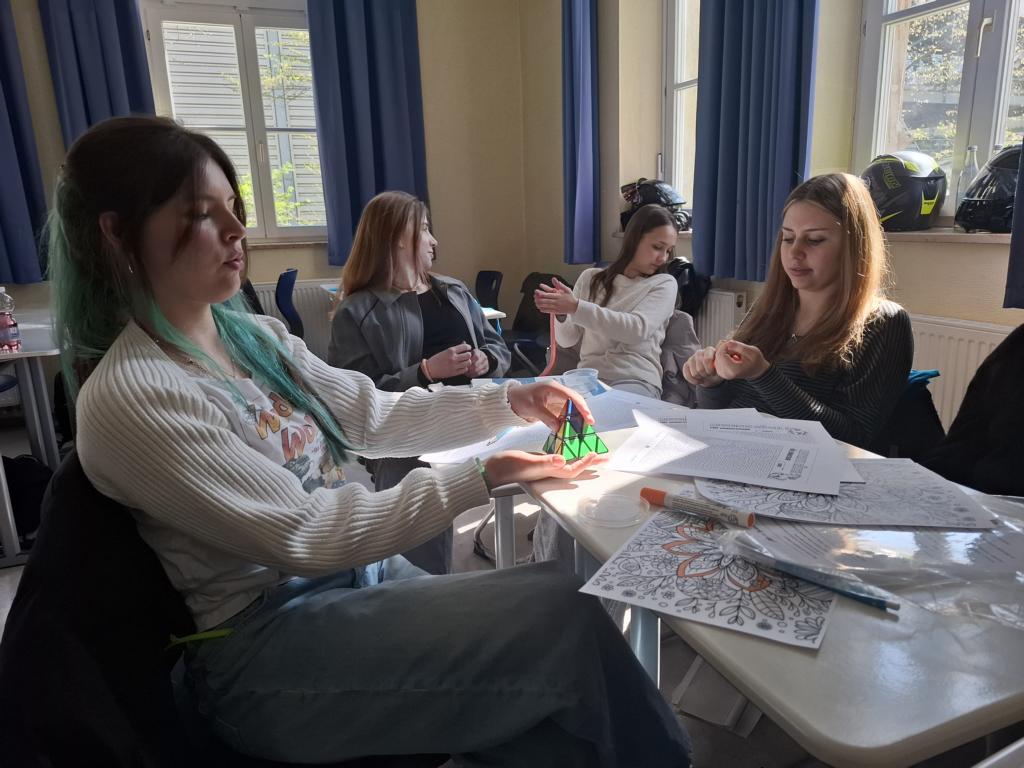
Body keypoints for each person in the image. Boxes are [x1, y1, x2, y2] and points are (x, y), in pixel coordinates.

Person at [51, 116, 691, 766]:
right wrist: (484, 474)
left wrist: (509, 399)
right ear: (117, 234)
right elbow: (307, 535)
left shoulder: (253, 337)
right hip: (267, 648)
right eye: (199, 214)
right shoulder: (134, 394)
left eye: (232, 207)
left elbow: (372, 415)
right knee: (561, 615)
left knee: (556, 722)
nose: (237, 230)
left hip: (354, 581)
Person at [328, 191, 510, 573]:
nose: (434, 241)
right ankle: (424, 589)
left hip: (476, 417)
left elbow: (498, 346)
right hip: (409, 435)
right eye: (424, 229)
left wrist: (487, 359)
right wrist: (425, 372)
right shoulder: (357, 312)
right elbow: (358, 402)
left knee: (542, 456)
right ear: (397, 237)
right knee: (412, 492)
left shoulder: (454, 290)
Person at [683, 173, 913, 450]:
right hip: (735, 455)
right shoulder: (770, 307)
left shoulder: (884, 322)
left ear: (853, 246)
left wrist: (764, 375)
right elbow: (725, 414)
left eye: (814, 240)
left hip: (808, 468)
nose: (795, 253)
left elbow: (854, 438)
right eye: (788, 238)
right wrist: (711, 384)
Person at [534, 204, 680, 398]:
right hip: (589, 378)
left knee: (600, 409)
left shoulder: (664, 283)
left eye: (668, 251)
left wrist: (576, 307)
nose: (663, 258)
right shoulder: (590, 278)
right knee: (540, 404)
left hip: (635, 379)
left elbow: (636, 330)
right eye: (657, 247)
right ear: (634, 239)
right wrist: (562, 313)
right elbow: (567, 340)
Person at [921, 323, 1024, 495]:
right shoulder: (1017, 345)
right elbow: (964, 439)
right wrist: (922, 482)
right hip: (976, 490)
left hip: (1001, 495)